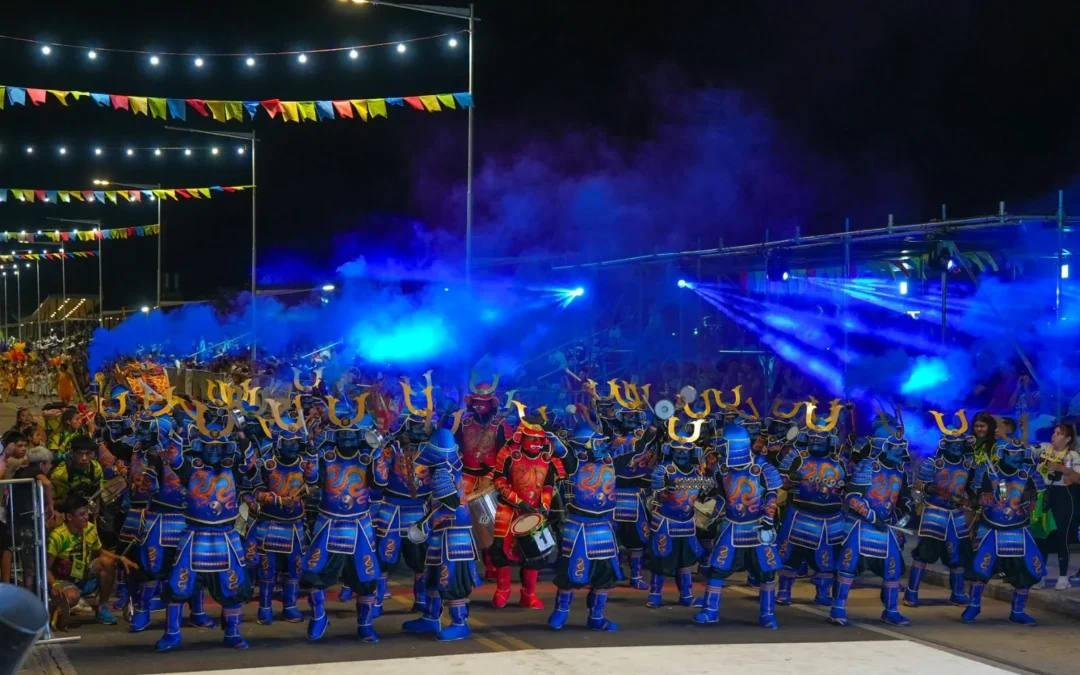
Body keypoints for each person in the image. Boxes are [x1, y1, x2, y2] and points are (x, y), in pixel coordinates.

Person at [962, 421, 1046, 625]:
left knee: (1029, 570)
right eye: (1012, 454)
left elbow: (1039, 499)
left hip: (1019, 529)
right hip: (990, 528)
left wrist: (1029, 502)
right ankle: (973, 605)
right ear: (1003, 454)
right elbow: (974, 497)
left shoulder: (1029, 474)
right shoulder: (986, 471)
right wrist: (986, 498)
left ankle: (1018, 611)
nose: (1016, 457)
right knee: (980, 569)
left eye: (1019, 454)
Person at [904, 410, 974, 607]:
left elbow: (972, 488)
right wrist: (929, 488)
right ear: (945, 444)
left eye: (960, 444)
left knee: (957, 554)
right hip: (934, 512)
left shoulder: (968, 465)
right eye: (953, 444)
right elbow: (918, 486)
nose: (957, 447)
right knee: (924, 553)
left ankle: (958, 592)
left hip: (957, 514)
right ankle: (911, 592)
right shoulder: (932, 463)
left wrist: (972, 501)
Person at [46, 495, 138, 629]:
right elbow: (45, 567)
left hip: (84, 574)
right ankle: (53, 606)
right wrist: (54, 584)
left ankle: (102, 608)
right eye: (81, 514)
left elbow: (100, 551)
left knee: (107, 562)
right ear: (70, 517)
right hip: (64, 580)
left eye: (86, 513)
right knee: (72, 597)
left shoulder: (89, 529)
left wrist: (121, 558)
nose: (86, 517)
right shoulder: (58, 536)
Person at [1034, 423, 1080, 589]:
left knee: (1062, 536)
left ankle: (1063, 577)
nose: (1054, 435)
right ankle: (1040, 575)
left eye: (1059, 433)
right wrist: (1024, 430)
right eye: (1054, 432)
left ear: (1067, 439)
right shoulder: (1044, 448)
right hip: (1044, 494)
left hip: (1063, 497)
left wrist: (1061, 468)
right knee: (1042, 537)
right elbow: (1024, 448)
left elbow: (1078, 479)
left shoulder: (1072, 455)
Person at [49, 435, 105, 506]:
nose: (84, 458)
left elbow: (97, 493)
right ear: (72, 454)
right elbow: (51, 502)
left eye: (88, 453)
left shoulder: (96, 468)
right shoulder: (60, 474)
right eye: (80, 453)